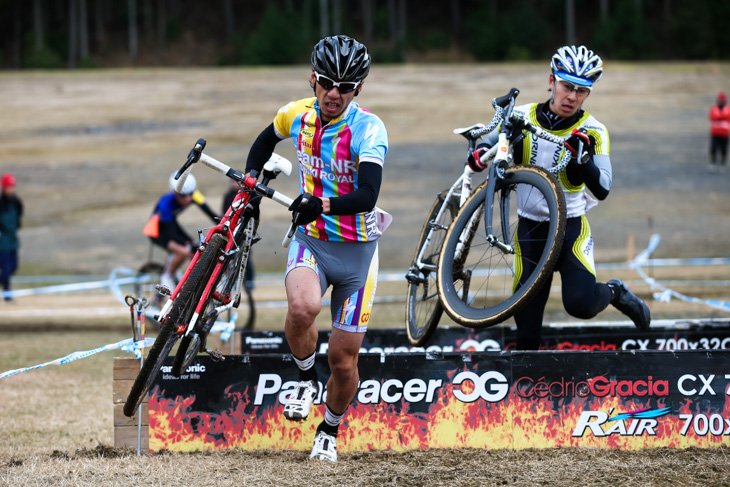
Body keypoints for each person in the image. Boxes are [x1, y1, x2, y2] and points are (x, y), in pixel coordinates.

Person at [244, 35, 389, 462]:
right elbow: (262, 142)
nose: (334, 93)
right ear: (312, 78)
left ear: (358, 88)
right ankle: (305, 379)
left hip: (358, 252)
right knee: (302, 309)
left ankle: (329, 427)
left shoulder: (368, 128)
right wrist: (252, 180)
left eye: (345, 86)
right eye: (327, 82)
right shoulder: (296, 115)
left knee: (343, 360)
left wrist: (321, 203)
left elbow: (368, 194)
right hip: (312, 241)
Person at [469, 45, 651, 350]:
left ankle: (616, 292)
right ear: (551, 81)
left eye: (582, 91)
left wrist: (584, 161)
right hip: (530, 230)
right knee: (526, 331)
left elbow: (603, 189)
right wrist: (478, 154)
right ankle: (527, 392)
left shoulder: (593, 130)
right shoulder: (521, 115)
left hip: (570, 228)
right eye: (567, 87)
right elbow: (488, 144)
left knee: (579, 304)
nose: (572, 97)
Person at [144, 171, 219, 292]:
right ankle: (167, 277)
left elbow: (211, 214)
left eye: (190, 194)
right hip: (158, 231)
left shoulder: (195, 195)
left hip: (171, 224)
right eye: (183, 196)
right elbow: (170, 232)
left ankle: (172, 276)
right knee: (183, 252)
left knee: (192, 247)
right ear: (175, 193)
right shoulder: (166, 203)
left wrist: (224, 225)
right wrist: (186, 244)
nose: (188, 199)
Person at [222, 179, 255, 289]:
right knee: (229, 256)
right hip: (232, 229)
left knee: (246, 255)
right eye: (233, 182)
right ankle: (231, 281)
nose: (234, 184)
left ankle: (250, 280)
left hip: (244, 228)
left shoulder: (250, 194)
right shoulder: (228, 196)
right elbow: (225, 212)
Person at [0, 173, 23, 303]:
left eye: (12, 187)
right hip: (2, 242)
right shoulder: (1, 204)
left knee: (13, 267)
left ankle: (6, 288)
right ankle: (8, 295)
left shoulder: (16, 202)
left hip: (13, 241)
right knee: (6, 269)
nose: (11, 189)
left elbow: (19, 215)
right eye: (9, 187)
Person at [709, 91, 730, 173]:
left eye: (722, 100)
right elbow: (712, 117)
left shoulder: (728, 109)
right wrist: (722, 116)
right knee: (713, 148)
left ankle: (723, 164)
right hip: (715, 133)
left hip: (725, 134)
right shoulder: (714, 108)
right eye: (720, 100)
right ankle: (713, 163)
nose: (721, 102)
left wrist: (719, 116)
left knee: (724, 149)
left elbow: (726, 117)